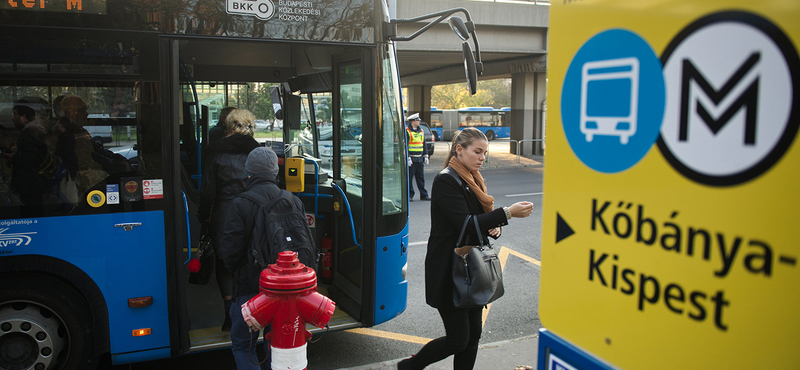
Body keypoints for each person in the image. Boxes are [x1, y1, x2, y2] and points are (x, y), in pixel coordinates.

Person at [398, 127, 534, 370]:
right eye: (478, 152)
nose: (483, 158)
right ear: (459, 149)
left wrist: (496, 227)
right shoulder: (447, 180)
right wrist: (507, 213)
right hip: (450, 269)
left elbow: (480, 220)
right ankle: (410, 366)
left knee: (473, 338)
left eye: (485, 153)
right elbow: (465, 224)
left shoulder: (473, 178)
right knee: (458, 340)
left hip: (471, 267)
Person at [219, 146, 294, 370]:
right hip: (285, 291)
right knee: (276, 345)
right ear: (275, 171)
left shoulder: (240, 203)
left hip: (250, 289)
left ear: (248, 171)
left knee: (244, 346)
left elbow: (230, 253)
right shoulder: (291, 199)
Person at [198, 108, 260, 332]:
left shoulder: (216, 154)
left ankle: (229, 314)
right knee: (249, 262)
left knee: (224, 264)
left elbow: (207, 192)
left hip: (224, 215)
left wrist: (203, 216)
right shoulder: (258, 154)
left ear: (229, 128)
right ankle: (251, 313)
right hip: (252, 214)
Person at [7, 105, 50, 216]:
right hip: (37, 180)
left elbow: (29, 160)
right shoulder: (37, 130)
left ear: (24, 117)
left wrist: (12, 158)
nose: (12, 118)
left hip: (29, 182)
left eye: (15, 114)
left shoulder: (28, 133)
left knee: (29, 211)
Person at [406, 113, 430, 201]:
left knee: (421, 178)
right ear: (413, 121)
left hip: (419, 158)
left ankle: (424, 195)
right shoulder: (407, 131)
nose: (419, 121)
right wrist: (408, 158)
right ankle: (410, 195)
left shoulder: (421, 131)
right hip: (411, 159)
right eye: (417, 120)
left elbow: (424, 144)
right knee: (409, 179)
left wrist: (426, 155)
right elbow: (405, 146)